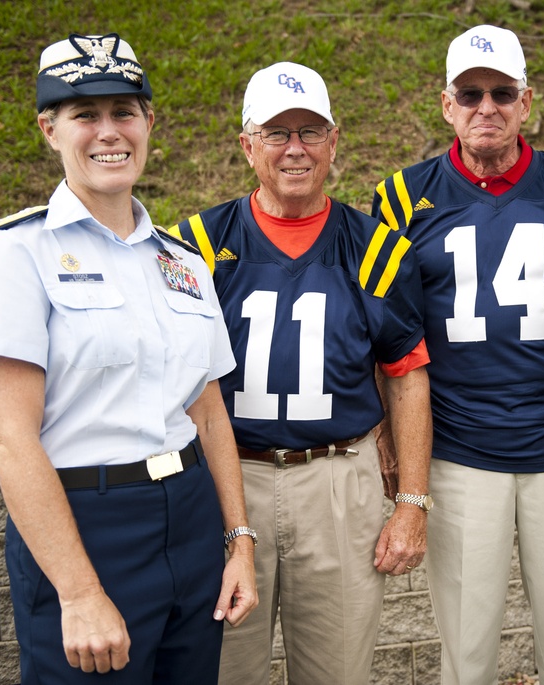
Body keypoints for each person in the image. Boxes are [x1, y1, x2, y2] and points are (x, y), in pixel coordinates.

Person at [0, 33, 258, 684]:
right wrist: (80, 592)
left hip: (192, 519)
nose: (108, 131)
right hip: (88, 525)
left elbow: (208, 412)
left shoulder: (183, 261)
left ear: (149, 122)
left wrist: (238, 540)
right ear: (49, 129)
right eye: (84, 114)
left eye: (124, 111)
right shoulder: (16, 252)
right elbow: (8, 435)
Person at [372, 25, 544, 685]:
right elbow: (386, 337)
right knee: (466, 646)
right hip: (457, 452)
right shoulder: (400, 199)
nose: (487, 106)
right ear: (447, 104)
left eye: (502, 92)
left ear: (527, 101)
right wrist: (391, 441)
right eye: (471, 92)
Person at [169, 62, 432, 685]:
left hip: (338, 484)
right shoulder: (195, 247)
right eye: (276, 132)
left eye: (310, 132)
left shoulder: (377, 247)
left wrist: (413, 502)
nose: (295, 149)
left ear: (334, 141)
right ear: (247, 144)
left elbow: (406, 373)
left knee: (337, 671)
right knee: (225, 670)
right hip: (230, 485)